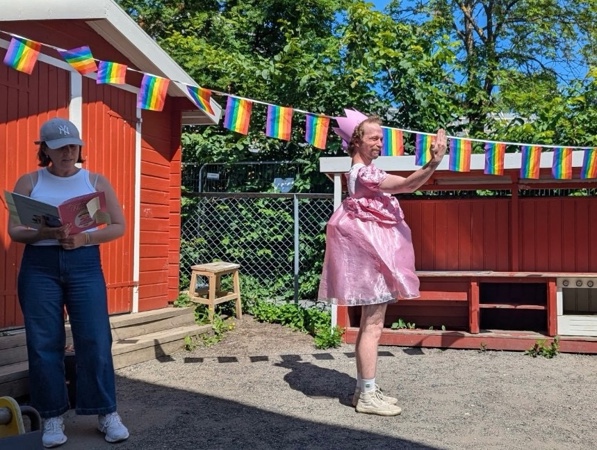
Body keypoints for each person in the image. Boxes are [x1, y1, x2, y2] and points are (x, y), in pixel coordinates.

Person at [7, 117, 130, 447]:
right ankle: (51, 416)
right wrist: (44, 233)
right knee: (43, 342)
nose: (68, 152)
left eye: (73, 146)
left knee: (95, 339)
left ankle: (106, 412)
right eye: (60, 148)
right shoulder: (30, 181)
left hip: (84, 264)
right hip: (40, 267)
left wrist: (84, 239)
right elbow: (15, 231)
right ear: (45, 150)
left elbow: (118, 226)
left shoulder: (94, 181)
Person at [318, 109, 447, 416]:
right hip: (371, 261)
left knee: (371, 324)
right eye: (374, 138)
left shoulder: (362, 173)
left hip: (371, 259)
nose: (380, 143)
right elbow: (408, 185)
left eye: (381, 138)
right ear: (356, 141)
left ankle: (365, 389)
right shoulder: (365, 174)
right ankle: (366, 395)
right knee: (373, 325)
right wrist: (434, 162)